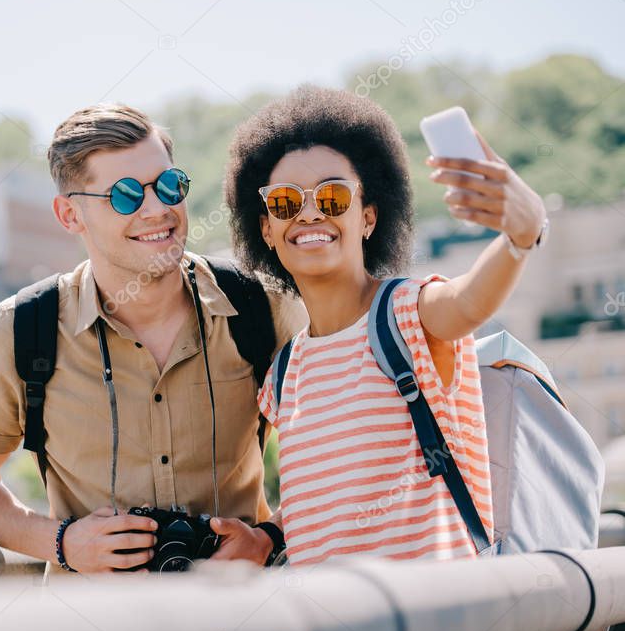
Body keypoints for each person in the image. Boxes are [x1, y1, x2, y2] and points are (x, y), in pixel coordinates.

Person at [0, 103, 306, 573]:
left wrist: (269, 537)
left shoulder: (264, 308)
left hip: (247, 625)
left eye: (169, 186)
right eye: (126, 195)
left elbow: (342, 450)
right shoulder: (18, 333)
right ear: (70, 215)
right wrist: (62, 542)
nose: (158, 210)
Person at [225, 86, 548, 565]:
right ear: (267, 229)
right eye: (285, 202)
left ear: (368, 217)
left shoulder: (406, 314)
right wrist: (268, 536)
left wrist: (523, 234)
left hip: (438, 629)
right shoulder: (283, 373)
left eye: (333, 197)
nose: (309, 212)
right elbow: (323, 508)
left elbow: (468, 302)